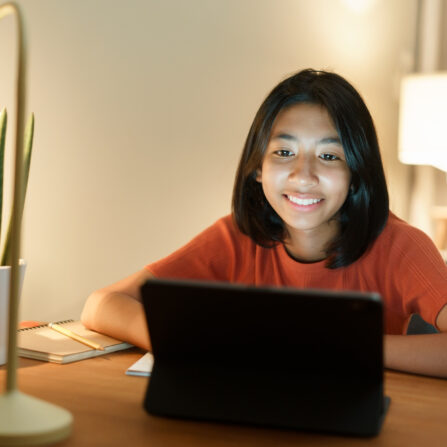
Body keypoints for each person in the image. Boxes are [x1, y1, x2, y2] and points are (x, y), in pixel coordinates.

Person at [81, 69, 447, 378]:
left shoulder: (401, 246)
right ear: (258, 167)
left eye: (329, 155)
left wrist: (341, 345)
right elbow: (101, 304)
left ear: (357, 171)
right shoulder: (237, 237)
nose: (303, 175)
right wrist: (192, 340)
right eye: (284, 152)